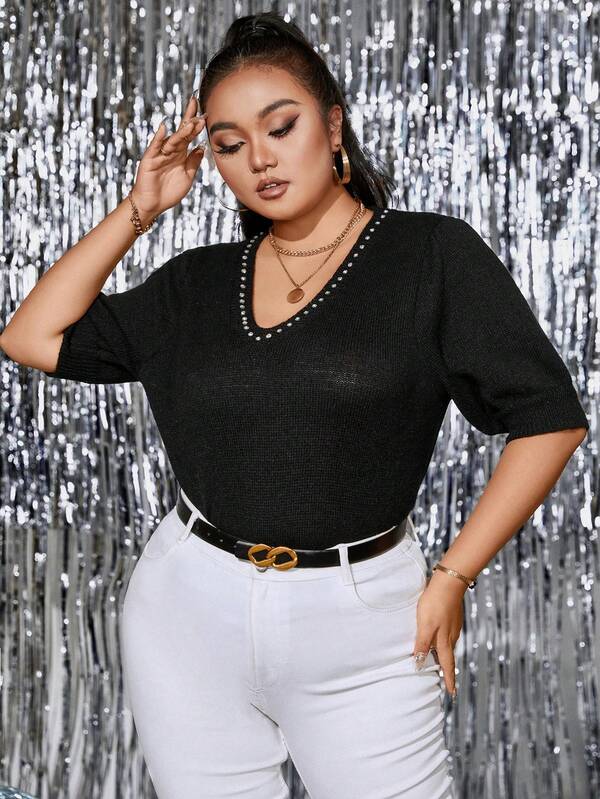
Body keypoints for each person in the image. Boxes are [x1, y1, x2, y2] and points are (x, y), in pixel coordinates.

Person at [0, 10, 589, 799]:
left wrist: (453, 574)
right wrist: (141, 207)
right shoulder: (197, 283)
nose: (260, 158)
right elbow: (29, 335)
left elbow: (550, 419)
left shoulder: (429, 257)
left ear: (333, 125)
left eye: (281, 127)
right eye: (228, 144)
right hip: (186, 613)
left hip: (363, 623)